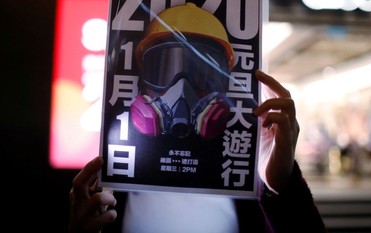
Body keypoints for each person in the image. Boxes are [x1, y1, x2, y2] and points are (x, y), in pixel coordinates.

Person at [68, 69, 328, 233]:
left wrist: (282, 188)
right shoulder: (108, 189)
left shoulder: (244, 183)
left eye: (201, 74)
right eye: (163, 68)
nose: (182, 89)